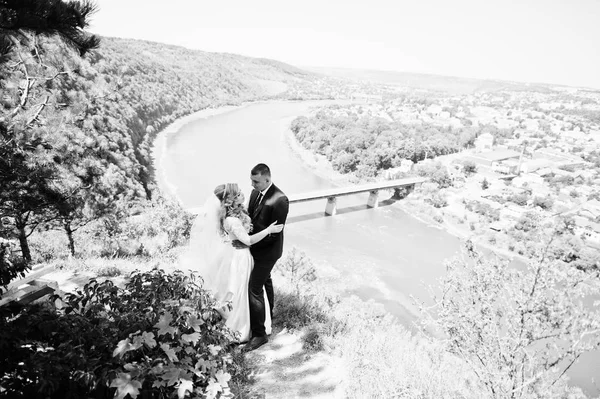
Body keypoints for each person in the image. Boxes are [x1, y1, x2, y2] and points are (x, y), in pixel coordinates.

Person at [188, 183, 283, 343]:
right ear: (231, 200)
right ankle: (241, 328)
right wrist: (268, 230)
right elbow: (248, 240)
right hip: (241, 257)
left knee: (243, 290)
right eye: (238, 194)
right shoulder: (232, 220)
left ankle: (249, 324)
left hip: (236, 253)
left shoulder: (229, 216)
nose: (242, 194)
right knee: (241, 291)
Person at [244, 163, 289, 352]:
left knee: (254, 288)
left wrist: (250, 243)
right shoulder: (255, 193)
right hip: (254, 247)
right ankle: (269, 315)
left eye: (256, 181)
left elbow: (274, 235)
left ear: (267, 180)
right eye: (251, 181)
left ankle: (260, 335)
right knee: (266, 281)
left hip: (268, 251)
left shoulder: (280, 200)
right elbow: (250, 217)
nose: (252, 185)